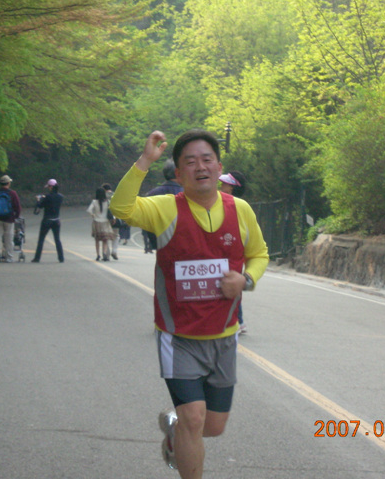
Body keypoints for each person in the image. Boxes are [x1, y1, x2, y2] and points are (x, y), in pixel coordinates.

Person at [110, 130, 269, 478]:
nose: (200, 167)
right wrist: (145, 161)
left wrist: (245, 280)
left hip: (224, 336)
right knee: (194, 419)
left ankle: (174, 430)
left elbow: (259, 254)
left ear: (219, 168)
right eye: (191, 162)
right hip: (178, 336)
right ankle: (183, 431)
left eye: (207, 159)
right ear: (180, 174)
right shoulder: (166, 208)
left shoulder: (240, 210)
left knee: (212, 426)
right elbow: (121, 208)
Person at [219, 171, 248, 334]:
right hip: (225, 253)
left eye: (225, 184)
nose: (221, 186)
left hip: (230, 253)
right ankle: (239, 321)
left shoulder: (238, 207)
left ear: (232, 188)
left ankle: (238, 321)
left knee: (229, 286)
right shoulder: (220, 203)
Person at [142, 159, 183, 252]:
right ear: (179, 173)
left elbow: (147, 221)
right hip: (184, 245)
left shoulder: (152, 194)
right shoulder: (190, 195)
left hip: (160, 244)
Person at [0, 175, 22, 263]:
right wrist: (16, 217)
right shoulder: (12, 193)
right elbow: (18, 207)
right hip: (9, 219)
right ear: (8, 183)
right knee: (9, 239)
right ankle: (9, 258)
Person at [32, 179, 64, 263]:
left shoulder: (47, 197)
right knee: (57, 239)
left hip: (47, 220)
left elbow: (40, 206)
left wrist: (38, 200)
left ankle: (37, 258)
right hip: (56, 220)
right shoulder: (60, 197)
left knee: (41, 239)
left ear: (51, 187)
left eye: (49, 187)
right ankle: (61, 258)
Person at [86, 187, 114, 261]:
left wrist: (93, 215)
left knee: (97, 239)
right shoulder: (107, 202)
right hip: (105, 222)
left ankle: (98, 255)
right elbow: (112, 211)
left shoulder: (94, 202)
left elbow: (89, 210)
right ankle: (104, 253)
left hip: (96, 222)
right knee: (105, 239)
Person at [102, 183, 120, 260]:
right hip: (115, 218)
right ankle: (114, 251)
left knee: (106, 236)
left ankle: (106, 254)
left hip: (105, 219)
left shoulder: (102, 196)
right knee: (116, 235)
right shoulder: (116, 195)